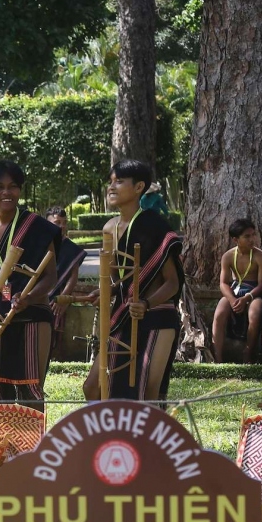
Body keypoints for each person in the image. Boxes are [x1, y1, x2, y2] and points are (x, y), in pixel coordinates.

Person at [82, 160, 183, 402]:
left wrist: (146, 303)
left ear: (139, 187)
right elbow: (118, 281)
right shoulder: (109, 228)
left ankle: (148, 440)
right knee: (93, 388)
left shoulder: (154, 225)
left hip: (157, 316)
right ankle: (104, 438)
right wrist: (103, 292)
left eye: (119, 181)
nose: (111, 187)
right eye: (110, 182)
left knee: (147, 393)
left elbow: (173, 282)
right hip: (124, 316)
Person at [0, 161, 60, 411]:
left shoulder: (38, 227)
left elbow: (51, 277)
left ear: (20, 190)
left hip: (33, 314)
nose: (6, 193)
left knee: (30, 389)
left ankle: (31, 450)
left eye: (13, 187)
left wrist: (29, 297)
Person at [212, 218, 262, 363]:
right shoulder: (228, 256)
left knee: (255, 314)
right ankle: (217, 358)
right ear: (235, 239)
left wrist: (247, 298)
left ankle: (248, 354)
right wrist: (232, 300)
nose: (252, 239)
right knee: (219, 313)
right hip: (234, 292)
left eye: (253, 235)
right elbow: (223, 283)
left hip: (253, 293)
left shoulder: (260, 256)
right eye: (247, 236)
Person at [45, 206, 88, 357]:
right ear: (47, 223)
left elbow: (72, 276)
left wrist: (63, 298)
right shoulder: (39, 244)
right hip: (38, 296)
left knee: (54, 338)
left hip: (58, 297)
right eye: (57, 222)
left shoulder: (71, 248)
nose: (62, 226)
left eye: (64, 222)